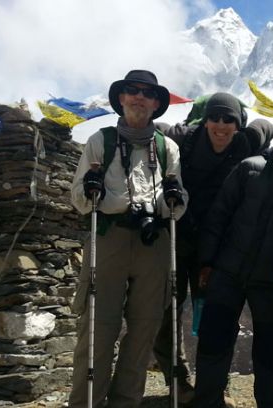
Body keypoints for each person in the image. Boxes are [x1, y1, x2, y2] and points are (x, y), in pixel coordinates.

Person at [68, 69, 188, 408]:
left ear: (156, 104)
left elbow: (176, 206)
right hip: (109, 234)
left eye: (147, 93)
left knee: (145, 327)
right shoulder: (100, 141)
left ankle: (126, 402)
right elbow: (77, 198)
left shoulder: (167, 149)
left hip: (153, 239)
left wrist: (175, 197)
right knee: (98, 328)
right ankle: (87, 402)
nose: (139, 97)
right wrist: (93, 191)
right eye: (132, 91)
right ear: (121, 98)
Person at [152, 93, 273, 403]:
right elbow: (156, 130)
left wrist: (254, 130)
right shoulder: (184, 138)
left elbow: (267, 127)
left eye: (229, 119)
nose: (221, 125)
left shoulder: (245, 142)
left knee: (217, 317)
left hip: (216, 249)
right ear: (204, 120)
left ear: (238, 123)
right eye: (215, 118)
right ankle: (177, 380)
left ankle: (214, 384)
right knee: (165, 311)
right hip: (176, 239)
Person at [192, 110, 273, 407]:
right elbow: (219, 215)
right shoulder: (250, 168)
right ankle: (207, 402)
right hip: (227, 272)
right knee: (214, 342)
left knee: (268, 351)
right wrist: (207, 261)